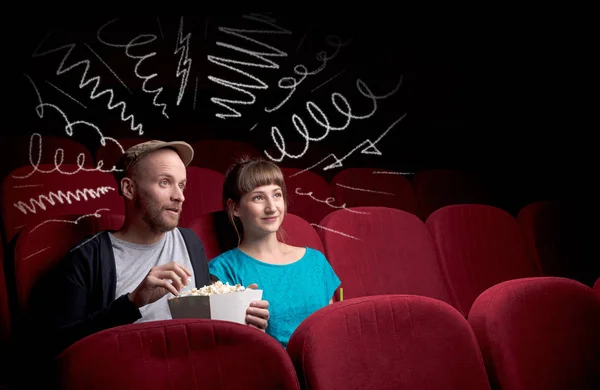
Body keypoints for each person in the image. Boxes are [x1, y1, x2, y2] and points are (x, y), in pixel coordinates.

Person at [30, 140, 270, 358]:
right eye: (165, 183)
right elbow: (57, 348)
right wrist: (133, 302)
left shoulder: (190, 241)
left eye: (182, 185)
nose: (179, 197)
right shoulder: (87, 257)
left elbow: (201, 324)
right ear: (129, 188)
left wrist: (238, 313)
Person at [207, 157, 341, 348]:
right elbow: (227, 349)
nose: (271, 208)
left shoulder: (316, 261)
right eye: (258, 198)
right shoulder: (221, 270)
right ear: (235, 207)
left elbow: (334, 329)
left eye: (277, 195)